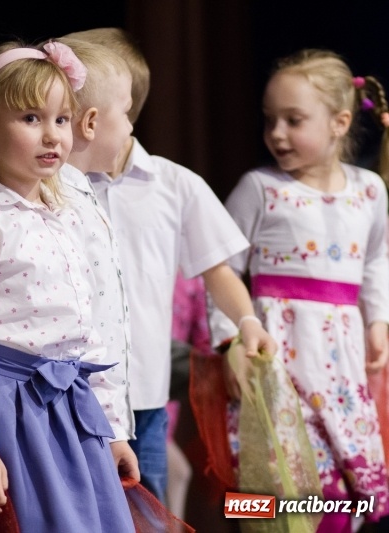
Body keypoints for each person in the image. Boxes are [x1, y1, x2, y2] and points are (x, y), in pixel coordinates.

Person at [0, 40, 136, 532]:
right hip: (10, 412)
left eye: (61, 120)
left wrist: (112, 430)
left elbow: (89, 330)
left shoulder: (64, 215)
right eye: (31, 119)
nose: (52, 135)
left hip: (67, 409)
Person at [65, 27, 277, 504]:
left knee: (147, 503)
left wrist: (246, 322)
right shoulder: (58, 187)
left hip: (144, 396)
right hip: (73, 391)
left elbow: (218, 270)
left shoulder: (174, 185)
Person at [218, 49, 389, 529]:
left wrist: (379, 321)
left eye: (293, 120)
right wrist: (231, 342)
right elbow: (222, 268)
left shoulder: (369, 190)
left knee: (341, 493)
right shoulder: (260, 188)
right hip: (277, 360)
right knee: (279, 485)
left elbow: (377, 260)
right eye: (270, 120)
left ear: (339, 122)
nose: (276, 133)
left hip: (341, 363)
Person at [55, 35, 137, 458]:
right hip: (77, 414)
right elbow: (89, 323)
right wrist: (111, 427)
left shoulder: (80, 195)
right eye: (125, 112)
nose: (130, 126)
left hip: (92, 412)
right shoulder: (62, 204)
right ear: (89, 122)